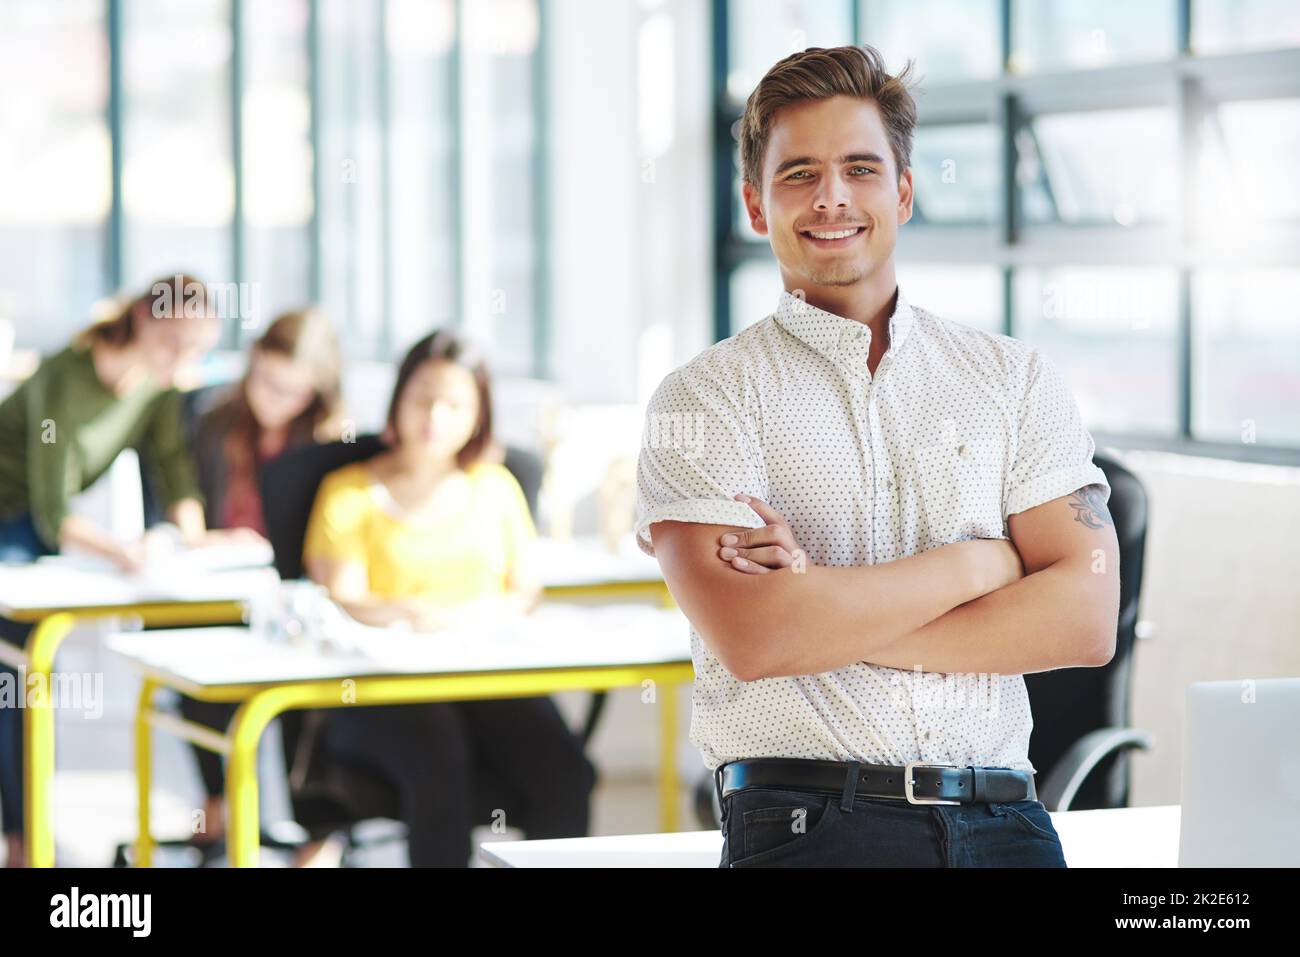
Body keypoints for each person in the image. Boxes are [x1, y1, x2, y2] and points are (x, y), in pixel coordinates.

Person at [634, 45, 1121, 868]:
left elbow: (1085, 616)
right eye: (798, 174)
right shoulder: (701, 402)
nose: (831, 197)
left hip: (1008, 821)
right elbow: (757, 639)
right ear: (756, 203)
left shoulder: (1013, 379)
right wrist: (980, 564)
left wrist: (823, 608)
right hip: (810, 823)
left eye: (860, 167)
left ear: (902, 189)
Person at [301, 329, 596, 867]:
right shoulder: (348, 491)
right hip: (382, 685)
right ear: (398, 401)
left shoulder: (496, 486)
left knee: (564, 769)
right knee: (438, 762)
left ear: (478, 414)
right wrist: (412, 614)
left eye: (455, 403)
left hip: (481, 668)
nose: (435, 415)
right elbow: (341, 596)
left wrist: (470, 618)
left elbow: (523, 592)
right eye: (423, 398)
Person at [0, 274, 254, 867]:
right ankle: (21, 838)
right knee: (14, 675)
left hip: (40, 533)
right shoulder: (66, 376)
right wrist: (123, 553)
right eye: (175, 345)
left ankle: (215, 809)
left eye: (198, 350)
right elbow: (51, 507)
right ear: (143, 319)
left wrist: (195, 540)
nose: (184, 362)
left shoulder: (156, 386)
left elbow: (172, 466)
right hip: (13, 520)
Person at [176, 307, 345, 856]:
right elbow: (187, 508)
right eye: (266, 382)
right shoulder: (212, 420)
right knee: (191, 658)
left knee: (311, 691)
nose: (274, 399)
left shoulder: (331, 439)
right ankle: (217, 800)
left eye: (293, 392)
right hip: (222, 586)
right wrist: (204, 537)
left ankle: (317, 834)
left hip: (295, 596)